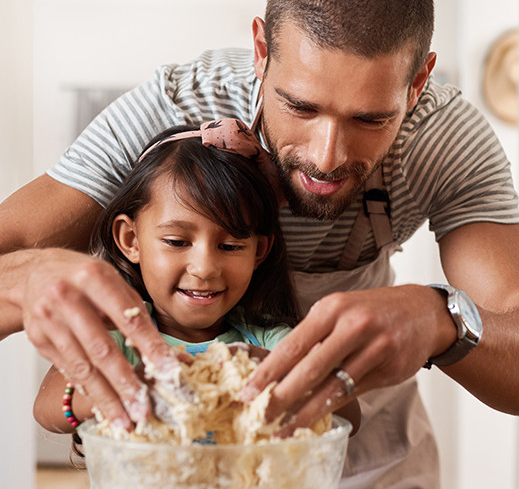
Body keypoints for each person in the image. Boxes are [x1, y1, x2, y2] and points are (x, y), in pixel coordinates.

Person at [0, 0, 519, 487]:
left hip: (373, 462)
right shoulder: (172, 110)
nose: (325, 155)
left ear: (421, 81)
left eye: (370, 118)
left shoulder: (446, 141)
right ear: (261, 51)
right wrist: (27, 281)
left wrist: (442, 318)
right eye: (300, 105)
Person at [33, 122, 359, 437]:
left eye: (230, 246)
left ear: (258, 251)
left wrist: (272, 368)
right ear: (131, 240)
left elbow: (350, 415)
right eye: (177, 242)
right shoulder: (118, 341)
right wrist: (131, 388)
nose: (204, 268)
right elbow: (47, 408)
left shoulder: (269, 343)